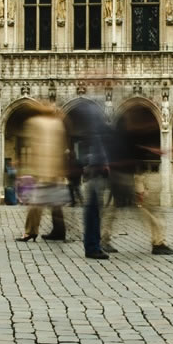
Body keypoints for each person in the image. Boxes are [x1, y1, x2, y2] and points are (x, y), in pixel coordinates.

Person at [104, 105, 173, 256]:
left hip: (125, 175)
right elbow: (126, 150)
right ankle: (158, 243)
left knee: (113, 210)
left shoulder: (126, 131)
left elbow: (136, 148)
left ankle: (103, 238)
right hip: (126, 176)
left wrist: (157, 151)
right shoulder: (125, 130)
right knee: (149, 209)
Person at [65, 97, 113, 260]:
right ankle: (93, 245)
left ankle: (94, 243)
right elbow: (96, 138)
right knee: (93, 208)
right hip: (96, 167)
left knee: (94, 208)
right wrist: (103, 162)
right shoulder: (92, 109)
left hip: (94, 166)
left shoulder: (92, 107)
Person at [16, 101, 69, 243]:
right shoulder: (58, 124)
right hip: (54, 170)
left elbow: (30, 147)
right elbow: (62, 148)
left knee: (35, 204)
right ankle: (59, 231)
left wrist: (25, 170)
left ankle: (30, 232)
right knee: (55, 203)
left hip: (42, 170)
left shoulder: (34, 122)